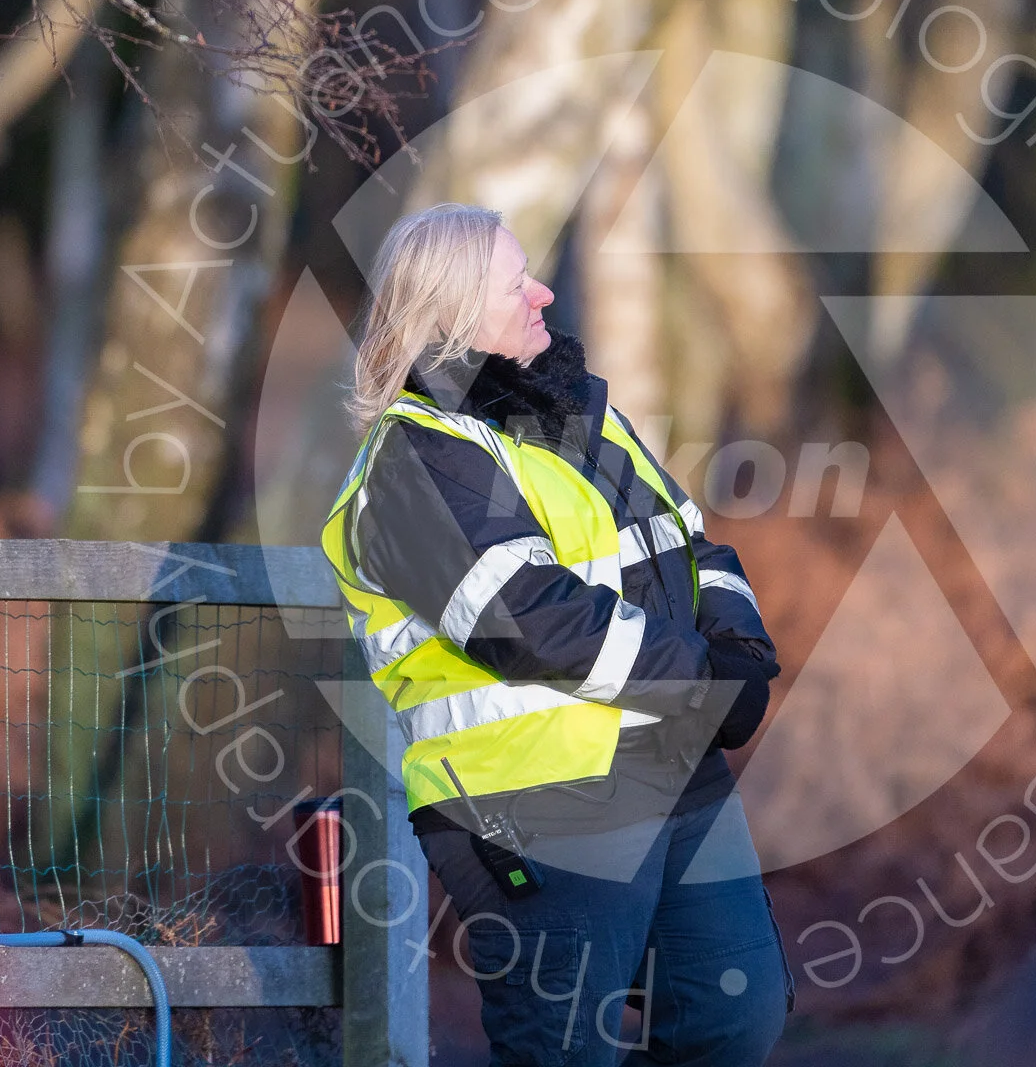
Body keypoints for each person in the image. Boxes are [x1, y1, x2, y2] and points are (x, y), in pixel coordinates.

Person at [321, 202, 795, 1066]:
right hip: (532, 801)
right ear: (454, 313)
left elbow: (693, 544)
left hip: (674, 769)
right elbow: (527, 618)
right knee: (564, 1051)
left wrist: (743, 649)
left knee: (736, 1018)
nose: (543, 294)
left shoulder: (581, 418)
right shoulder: (414, 458)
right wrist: (704, 681)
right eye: (516, 283)